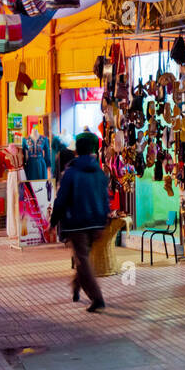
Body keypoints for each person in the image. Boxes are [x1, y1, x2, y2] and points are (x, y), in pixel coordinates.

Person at [49, 130, 109, 312]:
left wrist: (53, 222)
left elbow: (61, 199)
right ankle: (76, 287)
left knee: (82, 259)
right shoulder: (98, 171)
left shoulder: (71, 172)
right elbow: (105, 197)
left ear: (77, 151)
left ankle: (97, 298)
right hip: (96, 221)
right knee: (82, 257)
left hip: (78, 222)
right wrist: (104, 219)